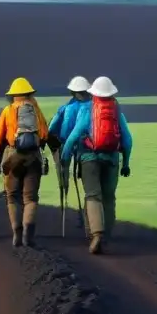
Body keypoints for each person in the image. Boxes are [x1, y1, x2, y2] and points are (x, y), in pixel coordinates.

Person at [61, 76, 133, 255]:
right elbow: (128, 140)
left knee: (93, 196)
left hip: (88, 158)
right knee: (109, 197)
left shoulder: (87, 109)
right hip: (113, 159)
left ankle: (96, 234)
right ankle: (106, 235)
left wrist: (65, 157)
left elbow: (73, 135)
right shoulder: (117, 111)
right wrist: (126, 163)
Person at [0, 77, 50, 248]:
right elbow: (44, 133)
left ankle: (16, 232)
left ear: (13, 95)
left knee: (12, 197)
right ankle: (28, 235)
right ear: (29, 93)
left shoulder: (8, 110)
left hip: (12, 156)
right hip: (33, 157)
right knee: (30, 198)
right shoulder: (35, 110)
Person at [47, 76, 91, 229]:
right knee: (88, 186)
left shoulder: (66, 107)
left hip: (66, 145)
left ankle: (64, 205)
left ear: (72, 92)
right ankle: (87, 217)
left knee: (64, 176)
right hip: (87, 148)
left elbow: (51, 128)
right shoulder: (93, 106)